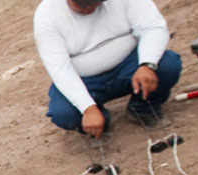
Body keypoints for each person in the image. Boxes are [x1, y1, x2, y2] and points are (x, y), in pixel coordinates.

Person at [34, 0, 182, 138]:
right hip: (85, 80)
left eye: (94, 4)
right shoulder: (47, 14)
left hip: (129, 65)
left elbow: (152, 27)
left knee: (167, 65)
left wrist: (147, 64)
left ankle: (142, 109)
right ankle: (99, 123)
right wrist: (88, 108)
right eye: (81, 5)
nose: (88, 9)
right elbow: (60, 68)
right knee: (64, 113)